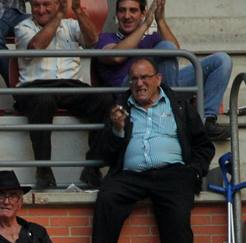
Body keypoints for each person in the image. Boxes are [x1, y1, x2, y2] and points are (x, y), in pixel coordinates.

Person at [90, 57, 216, 243]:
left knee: (177, 218)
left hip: (172, 173)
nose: (139, 84)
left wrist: (194, 172)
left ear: (158, 79)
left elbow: (203, 145)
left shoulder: (180, 106)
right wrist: (117, 130)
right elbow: (104, 152)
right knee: (107, 198)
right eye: (134, 79)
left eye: (144, 77)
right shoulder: (119, 108)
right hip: (131, 175)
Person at [94, 0, 233, 141]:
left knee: (221, 60)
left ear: (143, 13)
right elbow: (116, 57)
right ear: (116, 15)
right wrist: (145, 25)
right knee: (165, 48)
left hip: (162, 89)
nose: (127, 15)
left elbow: (176, 52)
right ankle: (178, 114)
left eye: (133, 10)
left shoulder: (152, 39)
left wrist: (160, 20)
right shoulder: (105, 38)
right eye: (122, 10)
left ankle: (206, 121)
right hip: (129, 93)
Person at [12, 0, 110, 191]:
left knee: (105, 99)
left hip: (69, 85)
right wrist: (58, 16)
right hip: (34, 86)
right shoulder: (23, 26)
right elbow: (36, 47)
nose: (41, 10)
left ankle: (93, 166)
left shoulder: (71, 25)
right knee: (43, 100)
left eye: (47, 4)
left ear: (58, 4)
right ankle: (43, 170)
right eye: (36, 5)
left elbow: (92, 41)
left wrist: (78, 13)